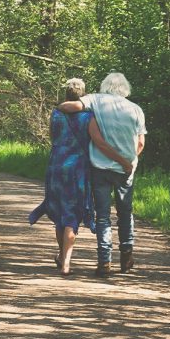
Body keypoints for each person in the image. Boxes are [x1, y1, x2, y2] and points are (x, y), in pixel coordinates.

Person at [29, 78, 129, 275]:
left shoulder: (56, 113)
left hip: (56, 167)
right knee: (71, 214)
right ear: (83, 95)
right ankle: (65, 262)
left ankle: (61, 256)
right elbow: (98, 141)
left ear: (66, 94)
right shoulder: (88, 116)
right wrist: (120, 159)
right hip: (78, 170)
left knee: (60, 214)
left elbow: (53, 137)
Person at [59, 73, 146, 277]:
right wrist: (128, 161)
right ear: (125, 87)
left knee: (103, 217)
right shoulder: (136, 109)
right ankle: (126, 257)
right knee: (125, 213)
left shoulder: (96, 99)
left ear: (105, 86)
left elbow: (70, 107)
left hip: (100, 167)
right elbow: (140, 142)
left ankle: (104, 263)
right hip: (126, 170)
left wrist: (60, 107)